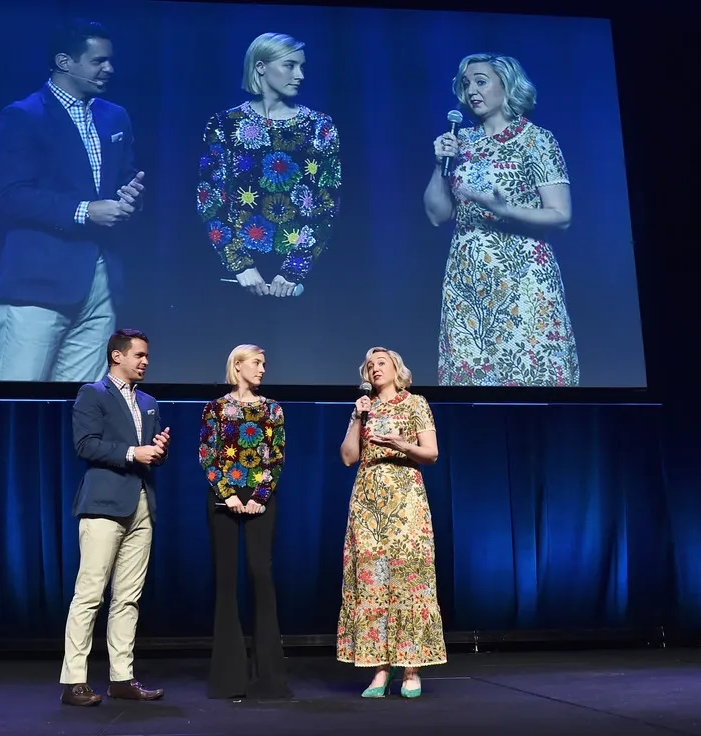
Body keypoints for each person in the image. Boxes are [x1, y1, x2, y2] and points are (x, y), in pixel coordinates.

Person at [0, 18, 146, 383]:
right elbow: (10, 195)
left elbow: (125, 179)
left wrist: (130, 198)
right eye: (98, 61)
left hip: (99, 283)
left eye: (110, 60)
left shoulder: (113, 116)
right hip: (37, 284)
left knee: (81, 406)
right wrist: (85, 211)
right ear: (64, 62)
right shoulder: (24, 116)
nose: (109, 69)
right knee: (17, 400)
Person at [423, 53, 579, 387]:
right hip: (468, 279)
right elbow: (438, 215)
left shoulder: (536, 140)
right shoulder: (461, 142)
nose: (472, 91)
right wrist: (440, 164)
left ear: (507, 85)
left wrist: (503, 208)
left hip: (523, 279)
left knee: (530, 374)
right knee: (471, 381)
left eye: (481, 81)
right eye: (466, 84)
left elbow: (561, 215)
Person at [59, 328, 171, 706]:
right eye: (138, 355)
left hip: (141, 503)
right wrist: (132, 453)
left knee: (128, 598)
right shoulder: (93, 394)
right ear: (116, 356)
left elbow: (147, 452)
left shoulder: (149, 401)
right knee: (90, 594)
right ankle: (74, 680)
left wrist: (157, 450)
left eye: (146, 355)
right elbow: (85, 444)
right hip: (104, 504)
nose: (145, 362)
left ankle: (121, 677)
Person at [337, 347, 446, 698]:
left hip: (405, 499)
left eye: (381, 363)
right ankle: (379, 670)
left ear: (397, 369)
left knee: (408, 580)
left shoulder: (415, 404)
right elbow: (348, 457)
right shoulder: (365, 409)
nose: (374, 368)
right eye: (370, 365)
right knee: (372, 582)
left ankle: (411, 669)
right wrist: (356, 417)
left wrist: (402, 444)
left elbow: (431, 453)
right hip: (368, 503)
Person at [196, 32, 340, 298]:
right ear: (260, 67)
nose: (300, 75)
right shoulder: (224, 125)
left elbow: (326, 203)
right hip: (238, 276)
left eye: (302, 66)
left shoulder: (319, 126)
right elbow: (210, 200)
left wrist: (294, 270)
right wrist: (240, 266)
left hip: (300, 278)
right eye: (290, 65)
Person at [198, 344, 292, 699]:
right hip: (225, 498)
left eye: (265, 363)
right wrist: (229, 493)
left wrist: (258, 497)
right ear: (237, 366)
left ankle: (269, 676)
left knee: (261, 576)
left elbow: (277, 458)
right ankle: (228, 677)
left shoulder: (272, 410)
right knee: (226, 581)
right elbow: (208, 455)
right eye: (257, 363)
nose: (263, 369)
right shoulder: (216, 408)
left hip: (259, 498)